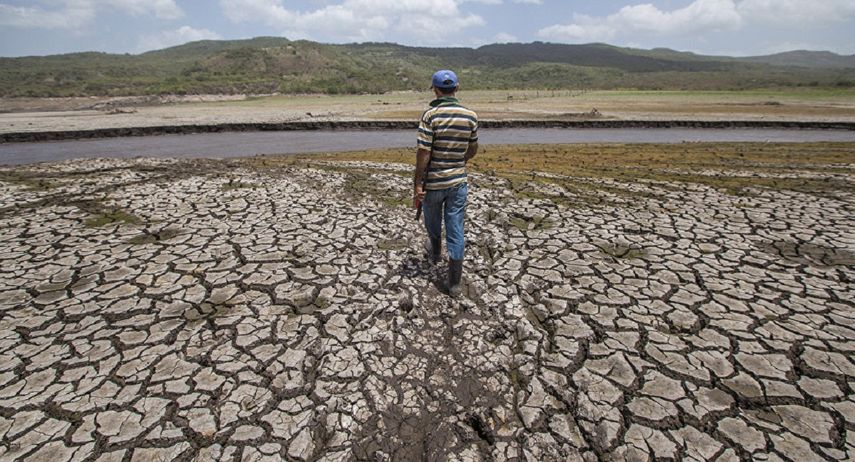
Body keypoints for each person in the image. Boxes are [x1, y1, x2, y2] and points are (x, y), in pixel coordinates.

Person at [413, 69, 479, 297]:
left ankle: (435, 254)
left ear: (435, 89)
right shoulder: (471, 116)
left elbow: (424, 152)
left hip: (434, 183)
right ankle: (454, 284)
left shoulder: (430, 115)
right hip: (458, 182)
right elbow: (472, 149)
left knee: (432, 221)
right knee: (456, 228)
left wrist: (417, 184)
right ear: (457, 88)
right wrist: (459, 161)